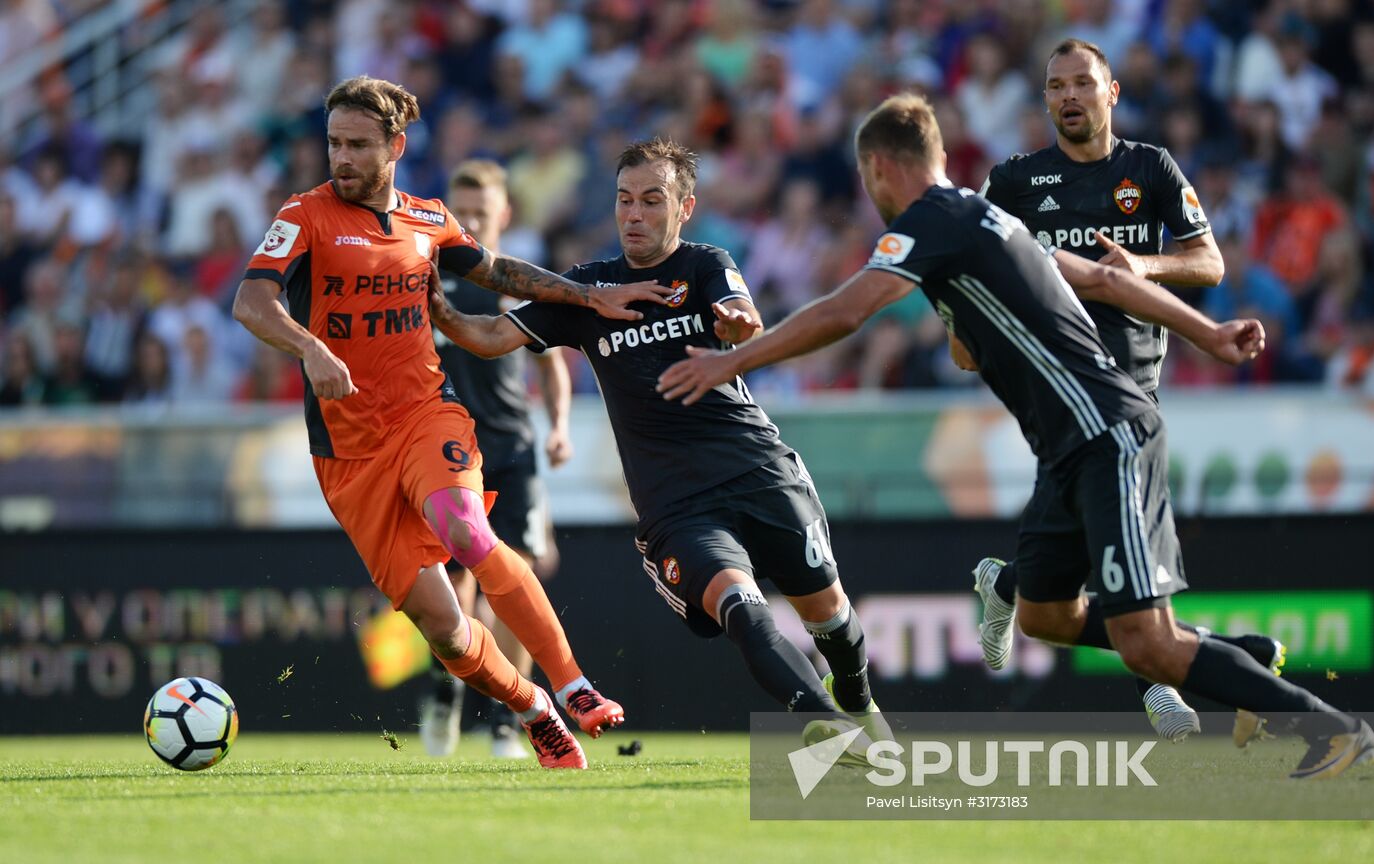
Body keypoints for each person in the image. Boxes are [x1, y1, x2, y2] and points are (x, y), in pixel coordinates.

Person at [658, 94, 1374, 780]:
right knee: (1046, 614)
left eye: (867, 177)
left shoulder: (932, 220)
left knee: (1147, 641)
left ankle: (1328, 728)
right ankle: (1232, 656)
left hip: (1105, 431)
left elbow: (849, 312)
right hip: (1069, 450)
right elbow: (1103, 279)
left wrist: (734, 361)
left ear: (880, 167)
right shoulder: (984, 220)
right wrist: (1209, 331)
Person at [232, 76, 674, 769]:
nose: (340, 158)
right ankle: (531, 706)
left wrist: (587, 295)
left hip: (423, 417)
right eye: (333, 144)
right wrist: (311, 347)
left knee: (467, 530)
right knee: (442, 626)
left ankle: (575, 683)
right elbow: (251, 303)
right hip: (347, 455)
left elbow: (496, 270)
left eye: (357, 145)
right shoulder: (305, 216)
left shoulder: (428, 219)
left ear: (396, 147)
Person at [426, 138, 887, 755]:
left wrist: (739, 325)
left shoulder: (703, 265)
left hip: (758, 470)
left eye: (651, 200)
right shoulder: (589, 289)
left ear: (684, 207)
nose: (634, 214)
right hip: (679, 505)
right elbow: (488, 336)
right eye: (624, 200)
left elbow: (738, 307)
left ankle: (857, 698)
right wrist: (442, 313)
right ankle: (833, 732)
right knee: (743, 612)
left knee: (829, 615)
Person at [975, 38, 1280, 741]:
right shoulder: (1016, 182)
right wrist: (968, 335)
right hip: (1059, 391)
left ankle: (1007, 585)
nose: (1069, 96)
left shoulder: (1151, 169)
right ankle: (1174, 681)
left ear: (1112, 93)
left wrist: (1139, 265)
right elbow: (965, 261)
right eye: (1056, 87)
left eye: (1084, 83)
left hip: (1137, 385)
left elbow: (1208, 261)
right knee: (1119, 542)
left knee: (1053, 603)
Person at [418, 158, 574, 760]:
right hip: (445, 453)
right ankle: (443, 686)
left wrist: (559, 426)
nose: (474, 221)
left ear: (504, 213)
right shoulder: (423, 274)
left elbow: (550, 361)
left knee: (517, 581)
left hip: (511, 450)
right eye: (464, 213)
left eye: (483, 211)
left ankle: (511, 720)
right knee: (455, 587)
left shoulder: (516, 281)